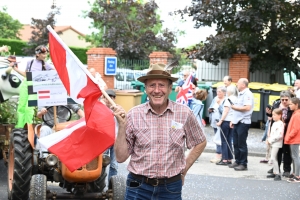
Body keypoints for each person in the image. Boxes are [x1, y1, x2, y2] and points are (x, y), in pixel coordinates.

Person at [113, 63, 207, 200]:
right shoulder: (133, 114)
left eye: (162, 85)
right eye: (152, 85)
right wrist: (122, 127)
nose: (157, 90)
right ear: (145, 89)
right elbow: (121, 158)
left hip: (170, 187)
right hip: (137, 186)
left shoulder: (184, 113)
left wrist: (184, 169)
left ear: (170, 89)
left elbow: (200, 142)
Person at [14, 45, 54, 128]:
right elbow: (26, 74)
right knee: (21, 106)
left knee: (29, 108)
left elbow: (55, 74)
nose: (45, 55)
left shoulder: (46, 65)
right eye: (43, 54)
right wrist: (15, 68)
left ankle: (28, 126)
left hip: (36, 86)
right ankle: (20, 126)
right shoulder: (30, 62)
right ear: (37, 54)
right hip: (26, 84)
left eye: (46, 54)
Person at [266, 91, 293, 178]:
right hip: (276, 130)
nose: (284, 101)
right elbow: (272, 118)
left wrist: (286, 124)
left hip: (287, 131)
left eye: (286, 99)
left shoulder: (291, 107)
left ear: (289, 99)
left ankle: (287, 169)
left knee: (287, 151)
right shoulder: (277, 105)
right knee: (277, 152)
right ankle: (276, 169)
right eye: (282, 99)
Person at [229, 78, 254, 171]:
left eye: (238, 83)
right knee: (235, 142)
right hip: (237, 121)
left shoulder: (247, 94)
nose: (236, 85)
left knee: (241, 144)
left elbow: (247, 107)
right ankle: (237, 160)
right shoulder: (240, 94)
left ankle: (243, 163)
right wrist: (233, 120)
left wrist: (235, 107)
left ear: (243, 85)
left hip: (243, 122)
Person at [216, 85, 238, 165]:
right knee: (229, 139)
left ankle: (224, 159)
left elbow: (225, 111)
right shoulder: (237, 98)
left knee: (224, 141)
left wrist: (220, 121)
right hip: (232, 121)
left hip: (226, 121)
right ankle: (229, 158)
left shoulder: (228, 99)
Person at [102, 89, 118, 183]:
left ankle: (112, 187)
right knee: (101, 163)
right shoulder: (100, 109)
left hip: (115, 140)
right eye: (107, 97)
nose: (109, 99)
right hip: (103, 140)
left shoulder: (117, 110)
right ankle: (99, 185)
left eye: (111, 97)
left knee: (114, 165)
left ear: (114, 98)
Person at [208, 86, 226, 163]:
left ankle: (219, 155)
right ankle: (220, 154)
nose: (218, 93)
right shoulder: (215, 98)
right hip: (214, 122)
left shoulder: (225, 100)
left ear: (224, 93)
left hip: (221, 122)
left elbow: (224, 111)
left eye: (220, 92)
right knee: (216, 138)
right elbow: (211, 107)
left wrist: (219, 105)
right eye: (217, 91)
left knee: (221, 138)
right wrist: (210, 110)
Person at [285, 97, 300, 183]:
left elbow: (296, 129)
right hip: (294, 138)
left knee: (295, 157)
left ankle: (297, 176)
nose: (289, 105)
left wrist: (288, 136)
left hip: (295, 139)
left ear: (296, 105)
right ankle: (295, 173)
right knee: (294, 156)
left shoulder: (297, 114)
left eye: (291, 104)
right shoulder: (296, 113)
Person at [266, 108, 284, 181]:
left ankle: (277, 173)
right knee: (274, 157)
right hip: (273, 142)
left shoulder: (280, 123)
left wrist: (270, 140)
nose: (273, 116)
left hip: (276, 143)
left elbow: (279, 135)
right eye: (273, 115)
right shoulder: (275, 123)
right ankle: (275, 172)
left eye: (274, 115)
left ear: (279, 115)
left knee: (273, 158)